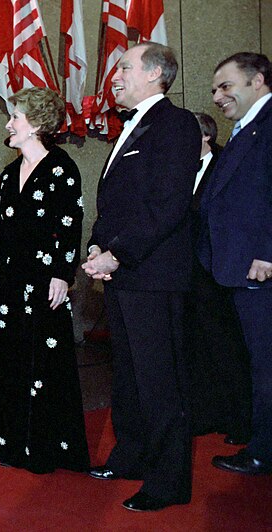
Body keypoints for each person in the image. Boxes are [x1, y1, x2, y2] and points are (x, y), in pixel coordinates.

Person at [81, 42, 201, 511]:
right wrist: (96, 245)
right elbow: (115, 203)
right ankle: (130, 456)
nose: (115, 75)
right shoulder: (128, 129)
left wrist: (117, 254)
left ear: (155, 74)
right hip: (123, 274)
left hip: (153, 274)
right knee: (128, 376)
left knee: (159, 381)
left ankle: (169, 483)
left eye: (125, 67)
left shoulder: (176, 124)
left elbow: (167, 206)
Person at [0, 88, 88, 475]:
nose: (8, 123)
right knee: (6, 357)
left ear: (38, 124)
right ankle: (8, 443)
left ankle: (46, 446)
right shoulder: (8, 173)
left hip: (44, 281)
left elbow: (70, 225)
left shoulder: (62, 169)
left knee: (43, 361)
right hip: (8, 280)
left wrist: (63, 273)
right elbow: (1, 232)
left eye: (15, 117)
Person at [201, 52, 272, 476]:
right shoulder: (246, 129)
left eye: (226, 86)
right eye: (213, 89)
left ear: (258, 80)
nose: (217, 96)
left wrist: (268, 250)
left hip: (260, 269)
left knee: (267, 366)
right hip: (239, 271)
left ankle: (265, 450)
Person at [187, 112, 252, 444]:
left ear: (205, 137)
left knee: (228, 349)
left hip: (219, 274)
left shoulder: (226, 164)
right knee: (197, 347)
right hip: (189, 276)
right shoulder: (178, 170)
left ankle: (240, 419)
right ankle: (206, 413)